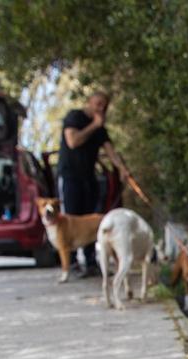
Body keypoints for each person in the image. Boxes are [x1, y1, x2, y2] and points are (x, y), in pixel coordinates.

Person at [56, 91, 133, 277]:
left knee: (91, 220)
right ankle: (72, 262)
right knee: (71, 217)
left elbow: (111, 152)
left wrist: (122, 169)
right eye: (98, 104)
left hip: (89, 177)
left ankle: (90, 261)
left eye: (104, 106)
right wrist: (94, 125)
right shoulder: (75, 117)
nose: (101, 108)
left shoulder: (101, 130)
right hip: (69, 177)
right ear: (89, 102)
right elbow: (73, 141)